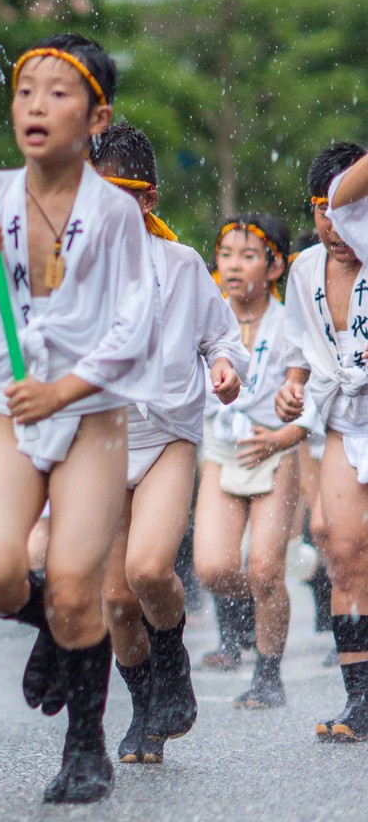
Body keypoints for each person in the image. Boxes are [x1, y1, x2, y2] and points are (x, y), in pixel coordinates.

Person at [0, 35, 156, 804]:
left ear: (96, 116)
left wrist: (64, 391)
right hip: (11, 416)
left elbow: (134, 329)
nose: (36, 105)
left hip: (92, 419)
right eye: (26, 90)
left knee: (74, 585)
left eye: (58, 92)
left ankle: (86, 748)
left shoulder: (115, 212)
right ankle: (61, 631)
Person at [88, 122, 243, 766]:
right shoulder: (65, 268)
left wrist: (226, 367)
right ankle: (145, 707)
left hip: (167, 433)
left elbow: (222, 337)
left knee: (149, 570)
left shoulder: (182, 264)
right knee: (116, 599)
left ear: (148, 198)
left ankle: (173, 661)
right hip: (99, 440)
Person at [193, 213, 303, 712]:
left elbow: (307, 389)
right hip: (221, 447)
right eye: (226, 254)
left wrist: (284, 428)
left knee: (264, 568)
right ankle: (254, 609)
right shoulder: (208, 313)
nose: (233, 265)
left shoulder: (290, 321)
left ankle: (267, 674)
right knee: (213, 567)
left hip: (275, 449)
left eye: (249, 256)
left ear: (274, 267)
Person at [282, 140, 368, 740]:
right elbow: (299, 353)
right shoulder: (303, 269)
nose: (334, 225)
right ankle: (360, 699)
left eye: (347, 209)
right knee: (341, 550)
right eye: (322, 210)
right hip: (342, 421)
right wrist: (292, 388)